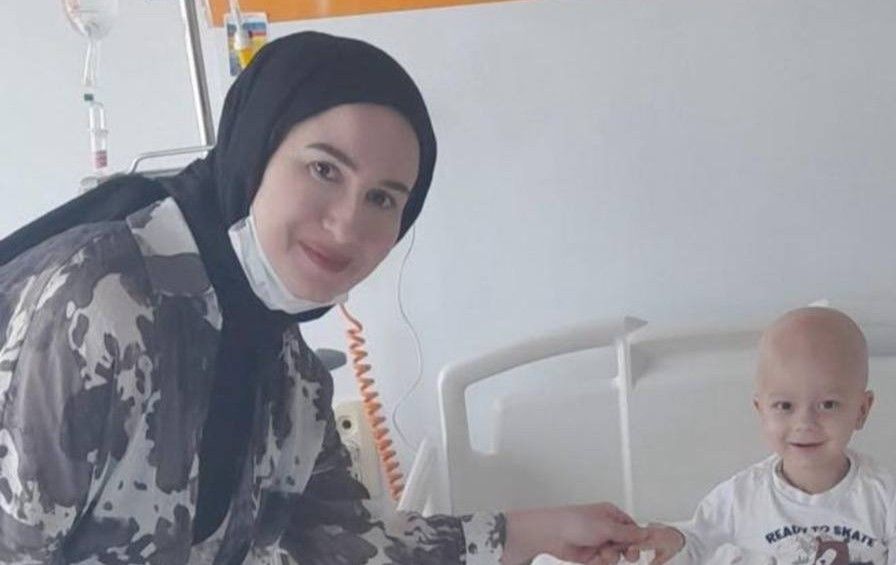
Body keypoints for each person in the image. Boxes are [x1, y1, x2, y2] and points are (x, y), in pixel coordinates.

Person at [0, 32, 645, 564]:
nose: (347, 224)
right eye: (324, 169)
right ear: (255, 151)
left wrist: (537, 534)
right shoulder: (101, 305)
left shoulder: (288, 375)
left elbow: (345, 543)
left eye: (383, 199)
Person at [634, 307, 896, 564]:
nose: (804, 423)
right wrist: (674, 540)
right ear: (761, 410)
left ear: (861, 410)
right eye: (784, 406)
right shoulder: (741, 497)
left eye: (828, 404)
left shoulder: (889, 499)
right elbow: (696, 540)